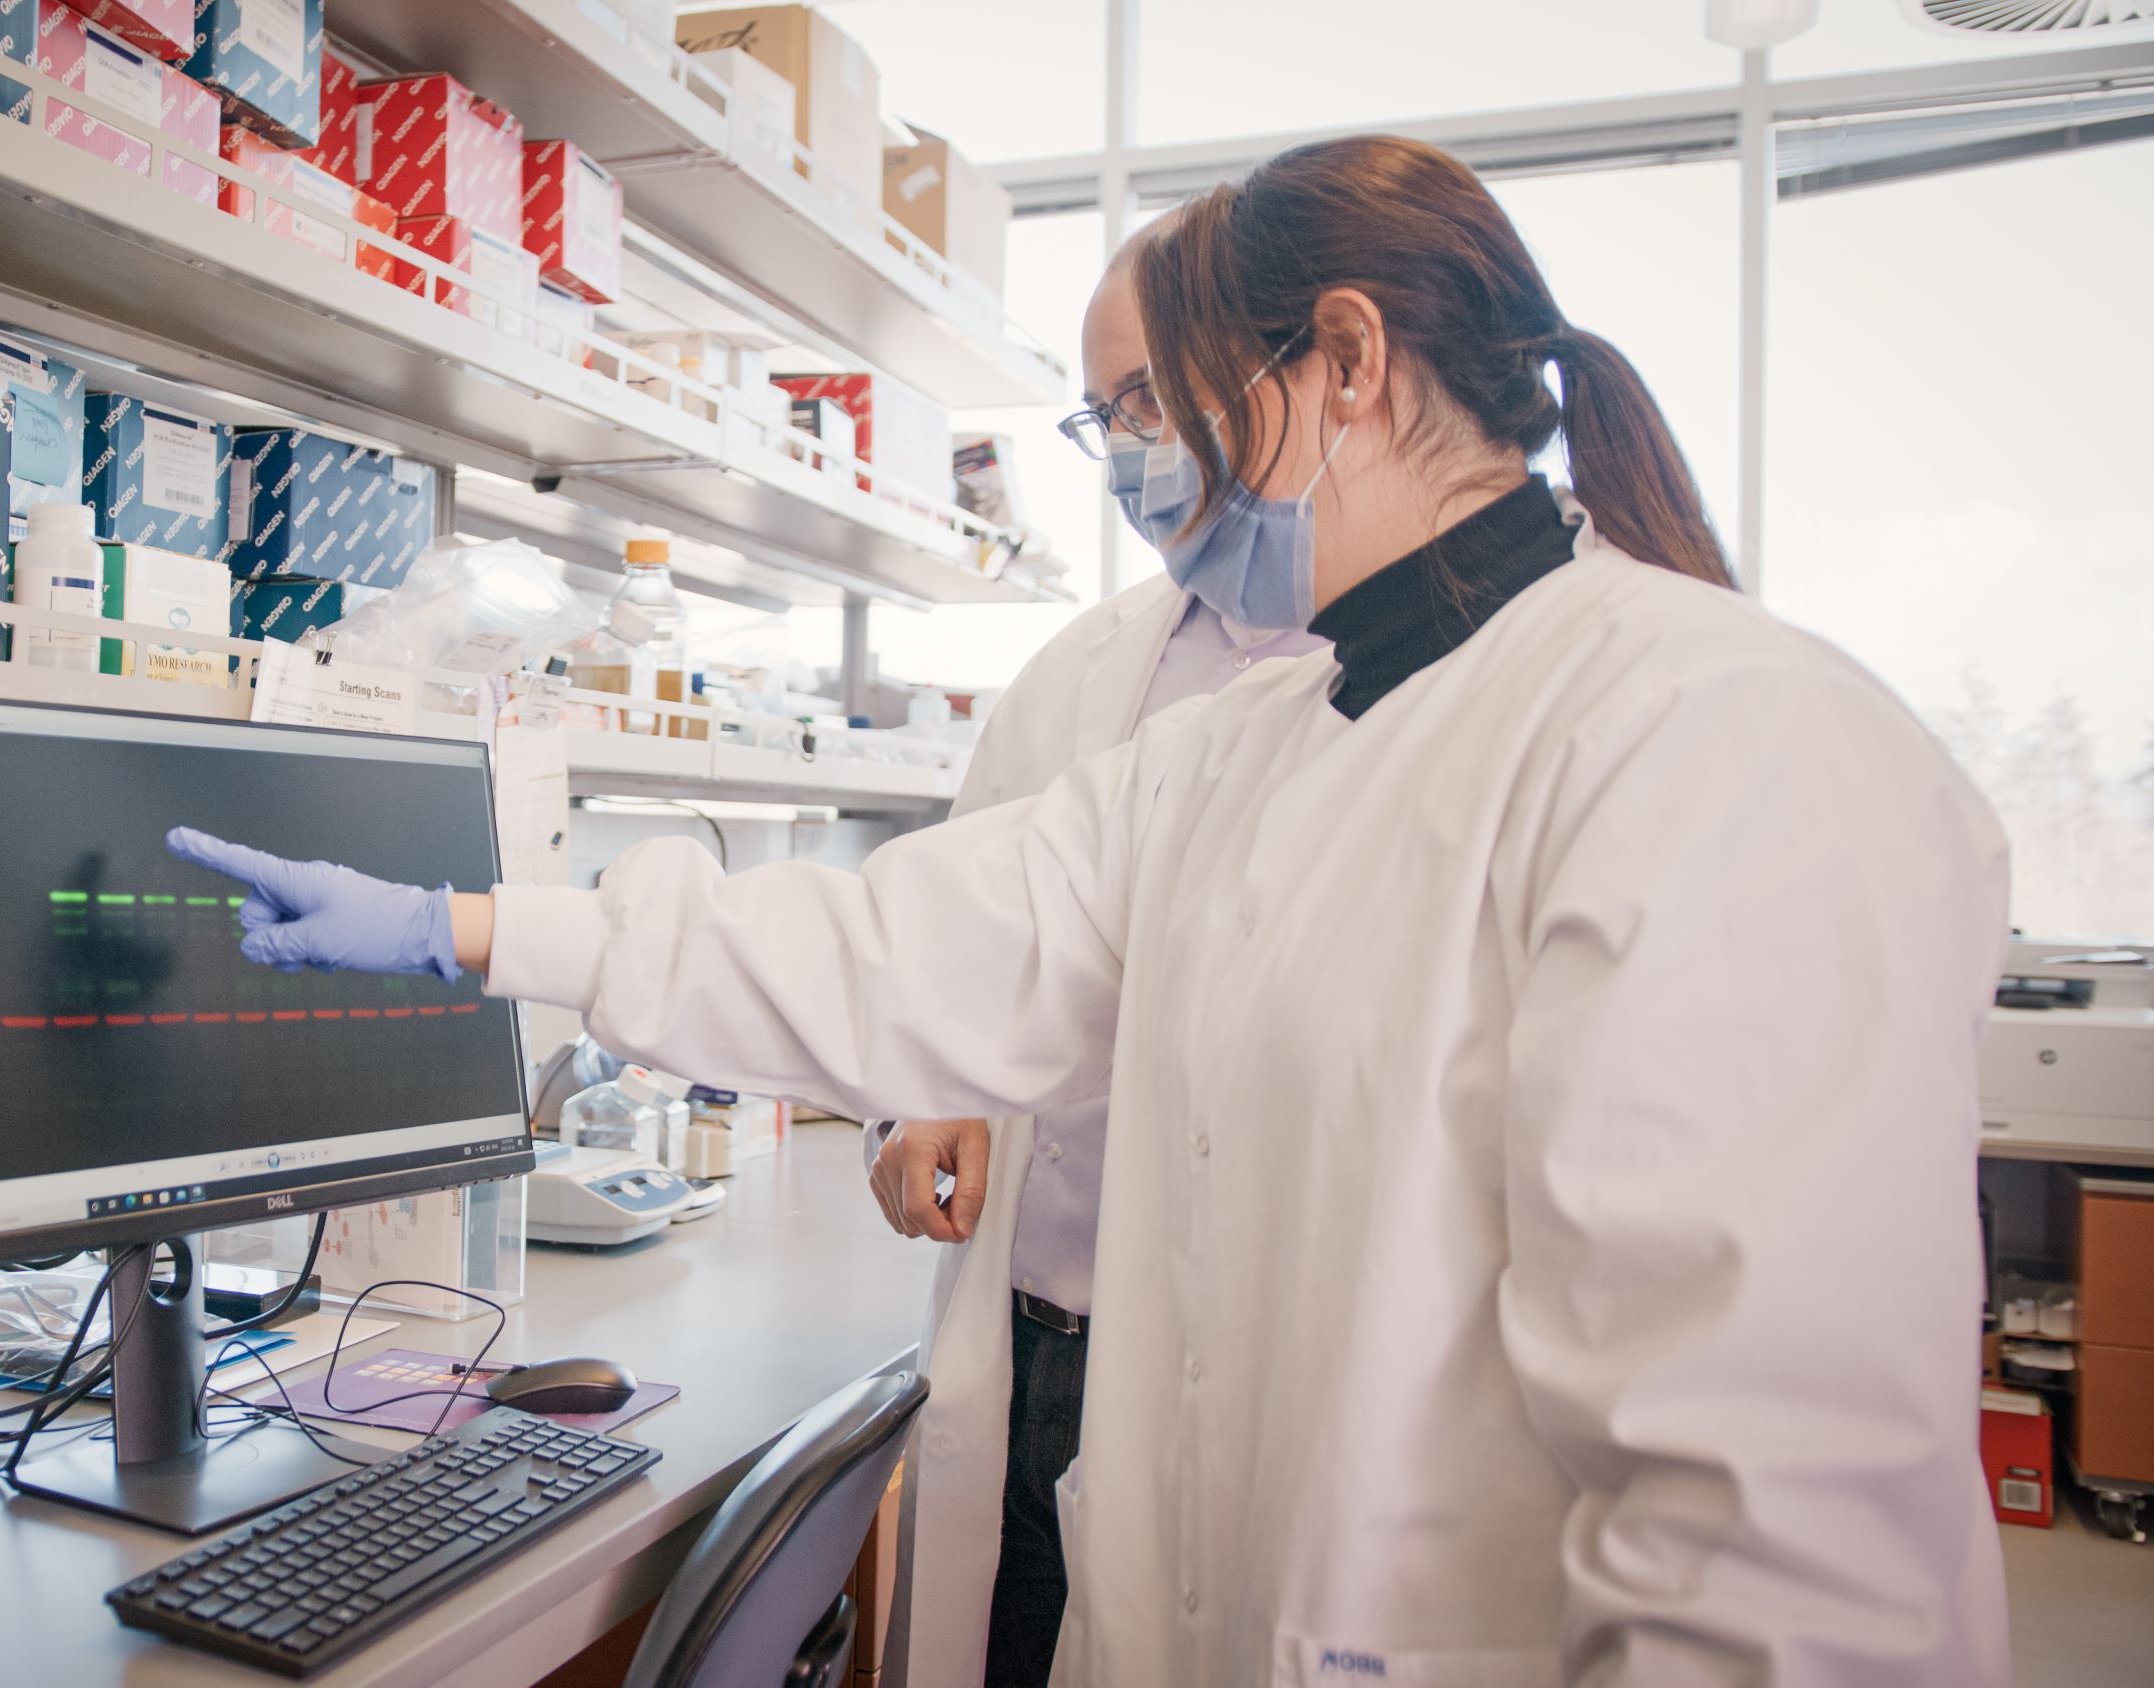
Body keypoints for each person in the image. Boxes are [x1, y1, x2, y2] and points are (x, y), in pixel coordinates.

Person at [175, 135, 2013, 1685]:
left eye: (1161, 402)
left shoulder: (1716, 735)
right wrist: (476, 927)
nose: (1139, 458)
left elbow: (1769, 1535)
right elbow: (901, 947)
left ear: (1350, 360)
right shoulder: (1264, 739)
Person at [855, 222, 1325, 1686]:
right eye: (1100, 415)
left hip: (1228, 1355)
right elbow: (946, 939)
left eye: (1146, 401)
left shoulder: (1395, 673)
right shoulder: (1077, 672)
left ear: (1297, 376)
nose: (1126, 449)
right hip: (1029, 1329)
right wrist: (915, 1095)